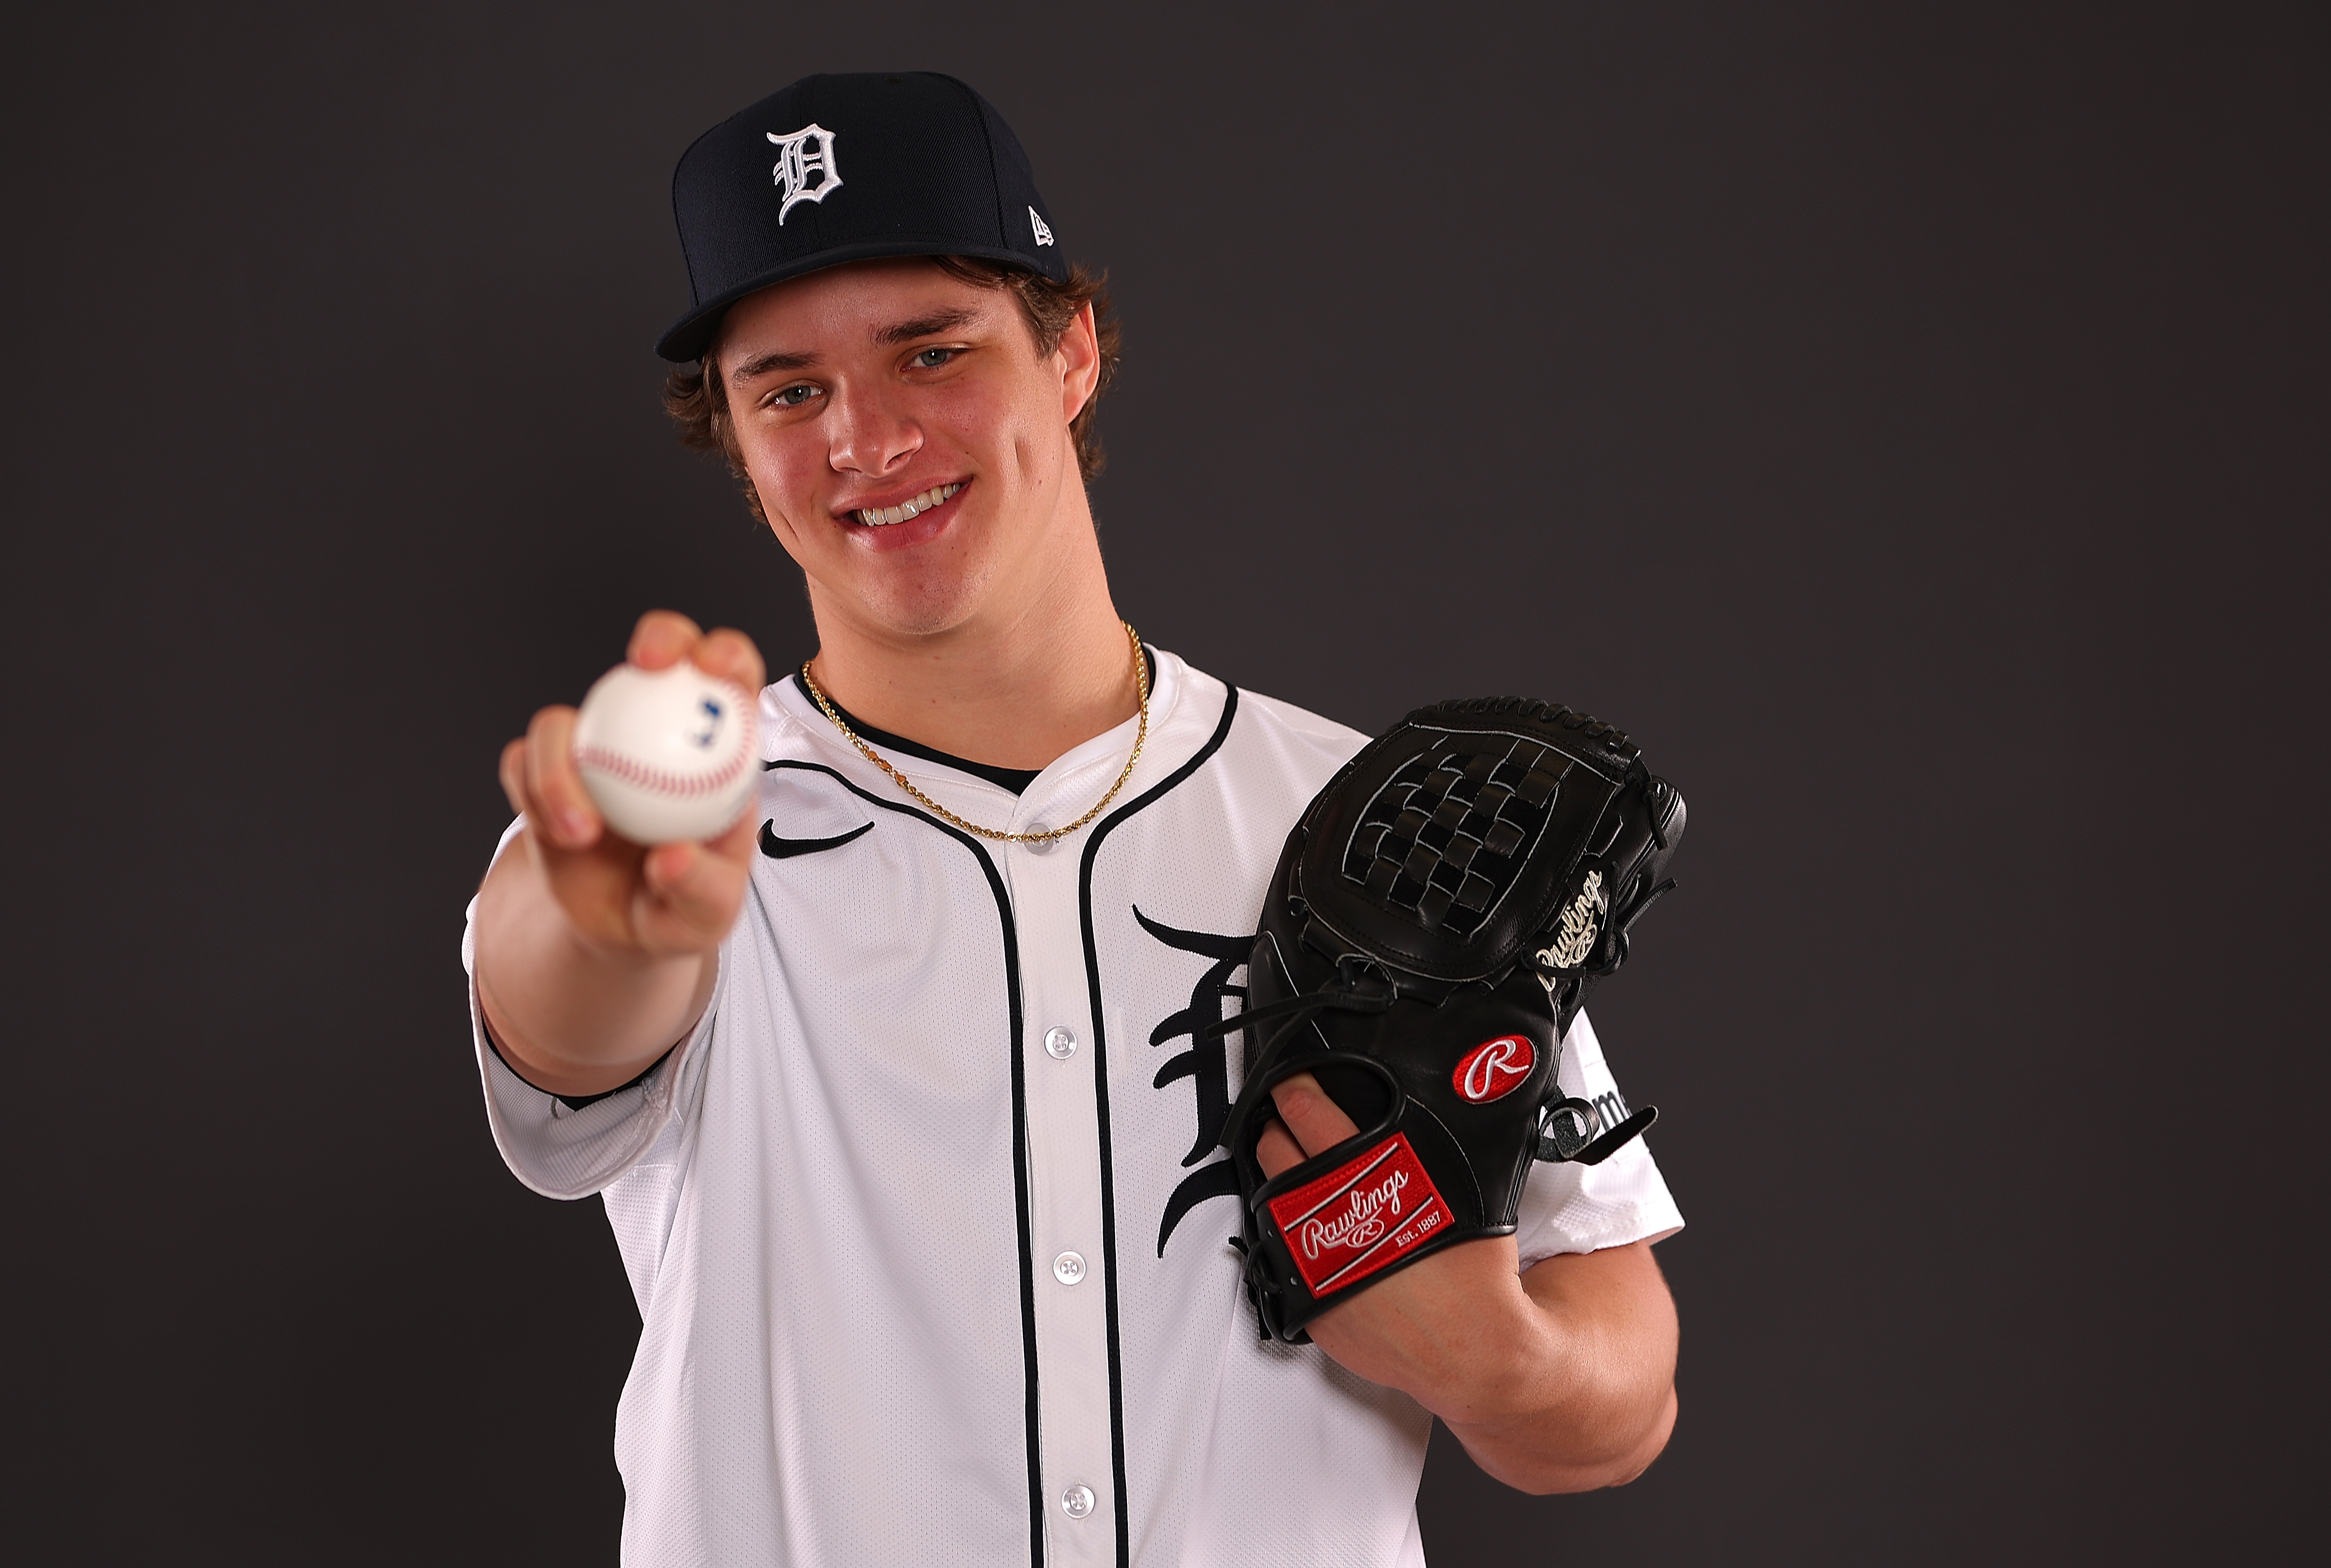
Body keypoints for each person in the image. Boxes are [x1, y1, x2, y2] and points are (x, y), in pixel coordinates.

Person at [468, 72, 1681, 1567]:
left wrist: (1495, 1360)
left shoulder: (1364, 821)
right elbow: (564, 1019)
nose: (863, 434)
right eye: (787, 388)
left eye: (931, 350)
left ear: (1073, 352)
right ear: (731, 433)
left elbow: (1621, 1399)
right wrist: (591, 921)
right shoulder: (668, 828)